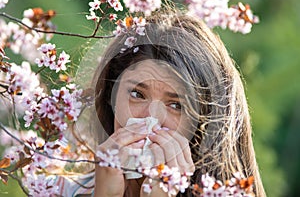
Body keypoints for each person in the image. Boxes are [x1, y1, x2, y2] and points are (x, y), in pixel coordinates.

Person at [56, 10, 266, 197]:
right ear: (112, 95)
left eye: (176, 105)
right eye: (137, 94)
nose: (151, 118)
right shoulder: (54, 190)